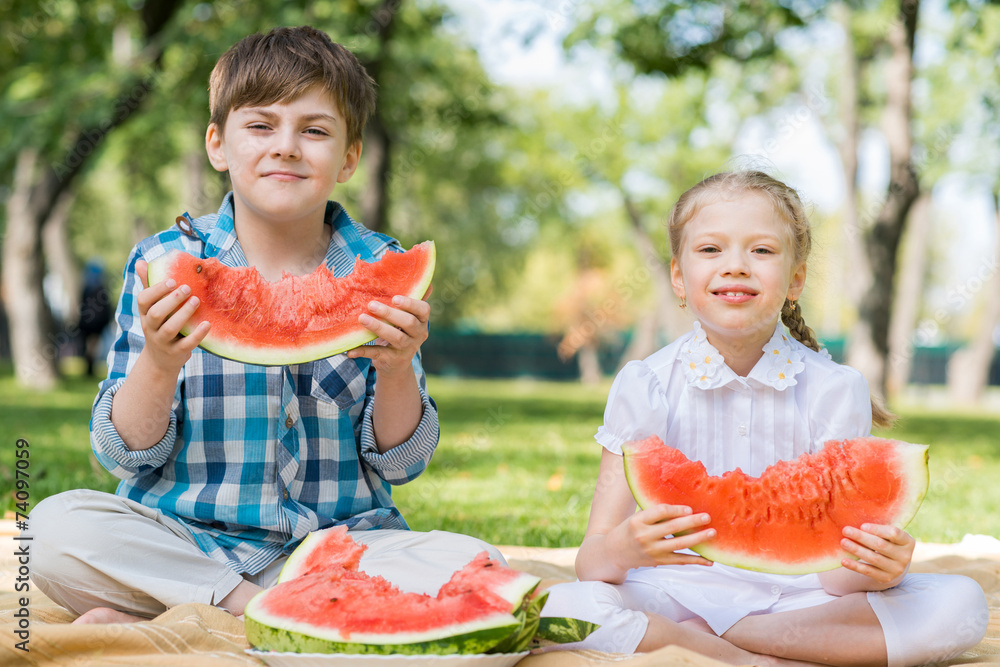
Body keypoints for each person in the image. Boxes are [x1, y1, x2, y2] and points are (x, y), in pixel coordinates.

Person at [29, 26, 502, 624]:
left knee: (476, 560)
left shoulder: (381, 266)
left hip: (342, 551)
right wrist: (159, 361)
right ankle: (264, 613)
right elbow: (121, 456)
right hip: (187, 544)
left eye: (315, 130)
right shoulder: (160, 266)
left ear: (350, 156)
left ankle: (214, 620)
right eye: (260, 125)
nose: (286, 146)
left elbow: (400, 465)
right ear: (217, 145)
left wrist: (398, 366)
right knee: (50, 530)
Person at [540, 171, 989, 666]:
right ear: (677, 277)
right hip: (672, 591)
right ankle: (759, 658)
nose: (735, 267)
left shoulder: (837, 389)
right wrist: (623, 549)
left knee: (961, 606)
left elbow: (835, 575)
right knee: (564, 606)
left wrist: (876, 567)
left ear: (795, 279)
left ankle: (730, 643)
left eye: (761, 251)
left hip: (798, 598)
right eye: (711, 250)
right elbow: (591, 561)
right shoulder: (645, 383)